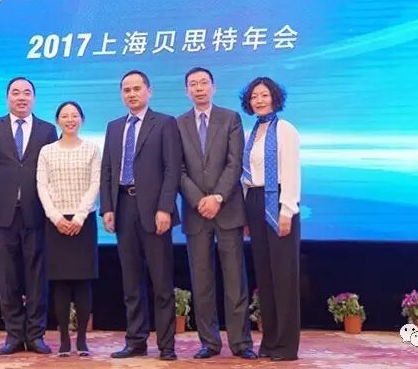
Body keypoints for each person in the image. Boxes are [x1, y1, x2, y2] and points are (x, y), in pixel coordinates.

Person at [100, 70, 182, 361]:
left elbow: (172, 169)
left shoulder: (165, 123)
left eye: (137, 88)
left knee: (161, 282)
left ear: (149, 91)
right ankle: (135, 341)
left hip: (154, 210)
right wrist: (107, 208)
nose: (131, 94)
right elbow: (107, 170)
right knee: (131, 281)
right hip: (123, 207)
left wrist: (165, 208)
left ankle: (167, 345)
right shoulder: (113, 127)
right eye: (126, 90)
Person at [0, 77, 57, 356]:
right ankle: (13, 335)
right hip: (2, 216)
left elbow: (54, 173)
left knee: (37, 278)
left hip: (37, 214)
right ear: (7, 97)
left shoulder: (47, 130)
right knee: (7, 278)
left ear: (34, 98)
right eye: (16, 93)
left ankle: (36, 335)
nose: (21, 97)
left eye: (27, 93)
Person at [177, 67, 256, 359]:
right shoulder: (178, 124)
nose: (199, 88)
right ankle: (209, 343)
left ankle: (241, 343)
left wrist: (218, 197)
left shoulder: (230, 118)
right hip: (196, 212)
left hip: (228, 210)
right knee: (202, 282)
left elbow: (236, 163)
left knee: (235, 280)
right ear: (186, 91)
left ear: (213, 87)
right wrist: (200, 200)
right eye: (193, 84)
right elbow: (178, 169)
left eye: (204, 83)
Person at [239, 76, 301, 362]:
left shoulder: (285, 129)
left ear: (275, 97)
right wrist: (245, 215)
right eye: (254, 96)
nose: (259, 100)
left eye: (264, 95)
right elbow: (246, 176)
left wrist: (287, 209)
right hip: (254, 202)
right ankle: (270, 341)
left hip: (277, 202)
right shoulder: (252, 132)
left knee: (283, 276)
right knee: (264, 276)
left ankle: (286, 346)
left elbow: (291, 171)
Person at [36, 101, 100, 357]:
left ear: (82, 120)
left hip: (84, 222)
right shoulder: (47, 151)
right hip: (56, 223)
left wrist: (80, 216)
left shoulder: (92, 149)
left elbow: (95, 183)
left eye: (74, 115)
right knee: (60, 284)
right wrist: (55, 217)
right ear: (57, 121)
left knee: (83, 283)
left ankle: (82, 339)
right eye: (65, 116)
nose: (70, 120)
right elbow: (42, 186)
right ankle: (63, 338)